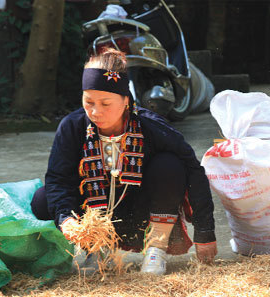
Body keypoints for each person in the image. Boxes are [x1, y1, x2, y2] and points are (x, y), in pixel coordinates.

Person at [31, 48, 217, 274]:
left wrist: (205, 232)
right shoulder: (72, 127)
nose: (95, 111)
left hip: (139, 212)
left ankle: (156, 249)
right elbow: (58, 178)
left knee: (170, 165)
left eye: (106, 103)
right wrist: (66, 220)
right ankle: (94, 247)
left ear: (125, 100)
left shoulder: (151, 126)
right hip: (94, 212)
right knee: (42, 200)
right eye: (88, 101)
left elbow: (193, 170)